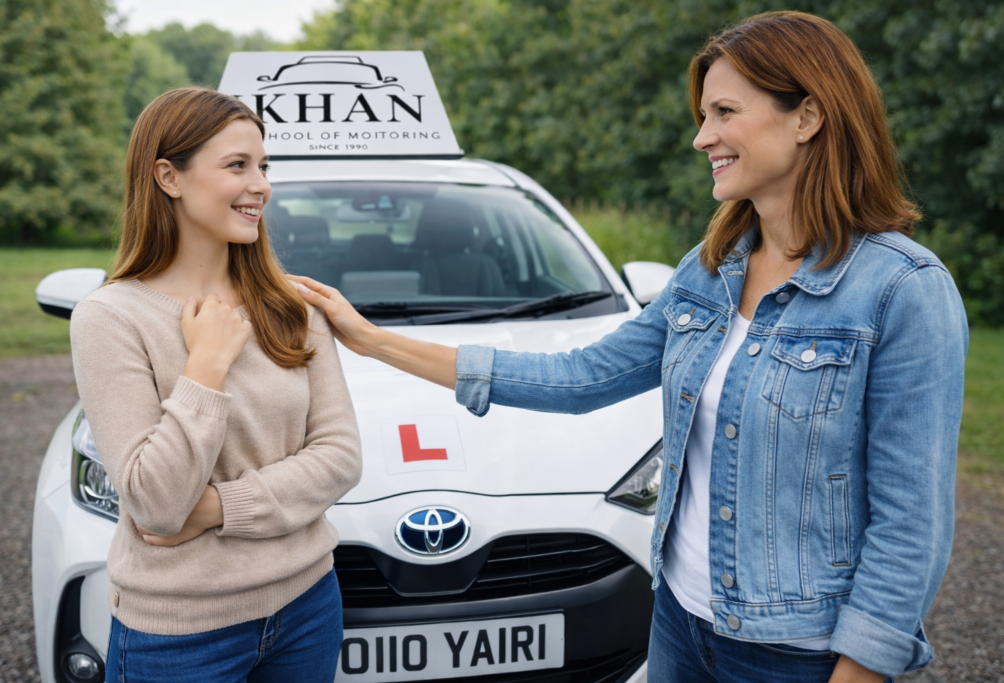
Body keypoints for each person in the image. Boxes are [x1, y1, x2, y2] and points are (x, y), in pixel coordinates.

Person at [289, 11, 967, 683]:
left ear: (808, 116)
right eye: (703, 116)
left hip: (794, 653)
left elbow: (911, 524)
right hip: (677, 624)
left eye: (724, 112)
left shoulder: (901, 291)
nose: (703, 138)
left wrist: (859, 670)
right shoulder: (709, 269)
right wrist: (374, 341)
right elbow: (582, 377)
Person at [70, 87, 362, 682]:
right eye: (237, 166)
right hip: (182, 636)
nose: (262, 185)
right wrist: (205, 367)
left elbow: (340, 457)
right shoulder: (110, 318)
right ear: (168, 177)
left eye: (263, 166)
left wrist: (219, 508)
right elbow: (155, 504)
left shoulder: (292, 306)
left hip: (308, 605)